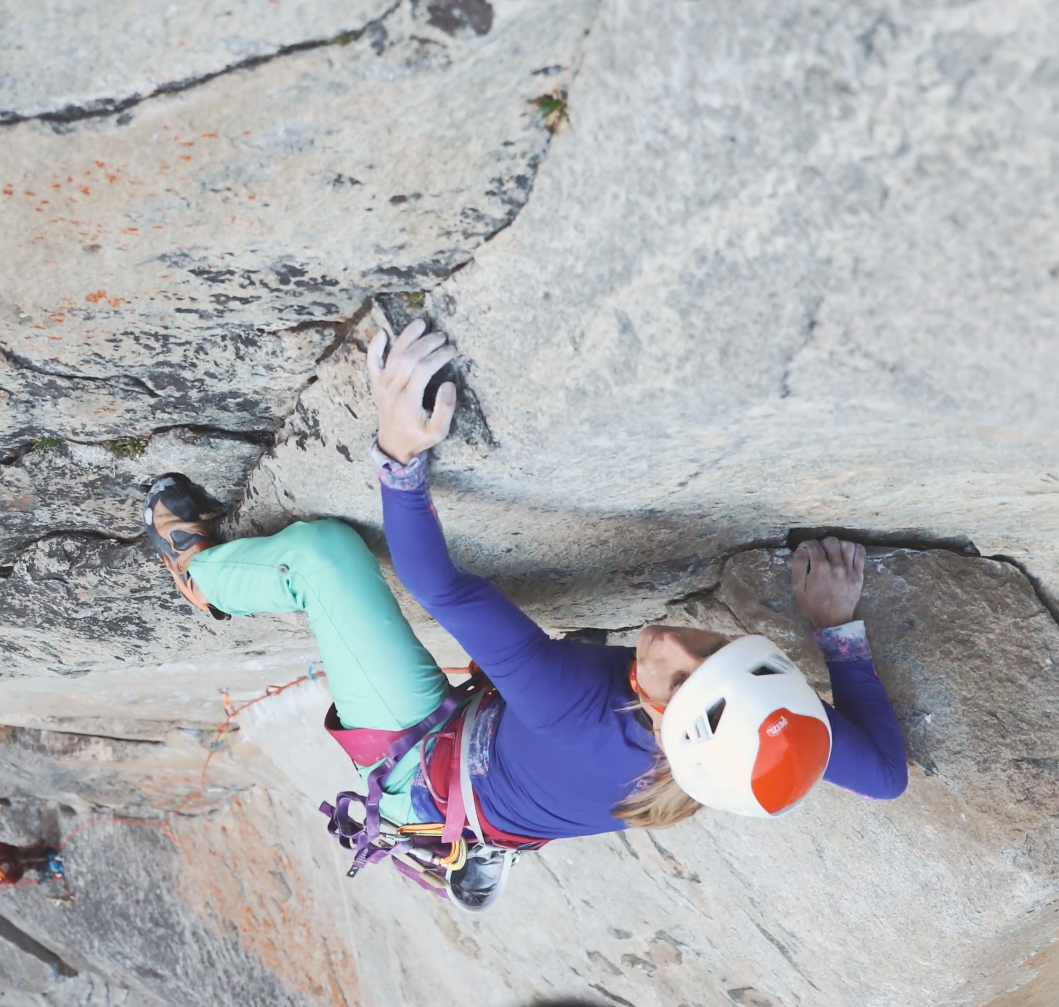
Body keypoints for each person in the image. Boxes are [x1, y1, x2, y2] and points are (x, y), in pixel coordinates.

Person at [144, 313, 908, 909]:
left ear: (668, 721)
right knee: (529, 775)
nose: (669, 639)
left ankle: (203, 575)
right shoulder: (748, 732)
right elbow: (885, 776)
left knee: (323, 559)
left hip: (425, 760)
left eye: (671, 677)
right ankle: (487, 836)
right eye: (709, 648)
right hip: (520, 785)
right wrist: (835, 628)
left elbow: (441, 584)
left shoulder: (575, 697)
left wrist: (398, 451)